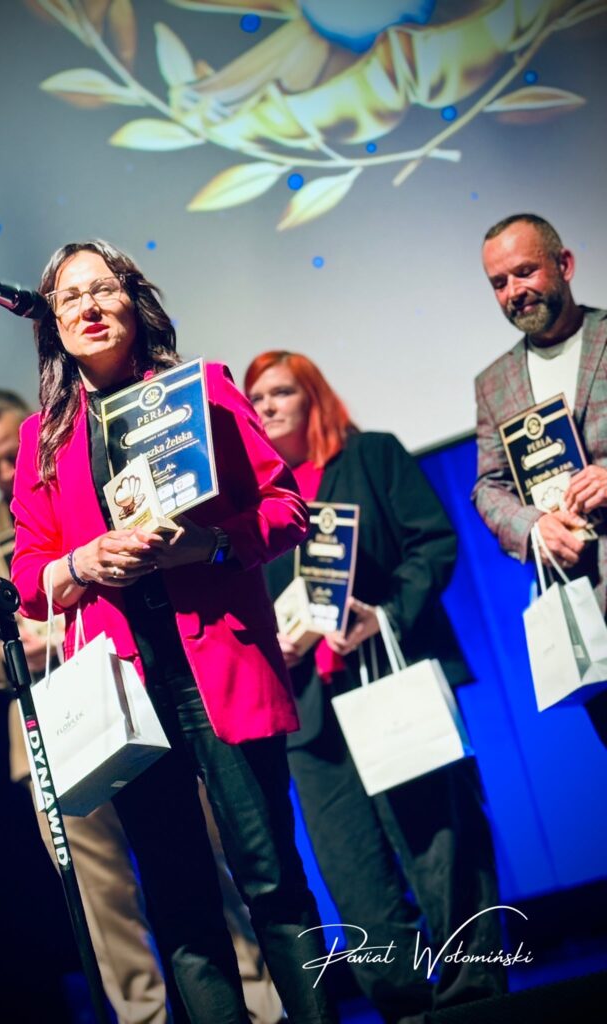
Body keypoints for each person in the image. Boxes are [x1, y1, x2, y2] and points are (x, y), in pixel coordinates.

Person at [10, 240, 337, 1024]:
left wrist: (210, 544)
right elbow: (28, 572)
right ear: (53, 325)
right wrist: (82, 561)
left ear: (135, 299)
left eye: (102, 289)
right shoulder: (42, 438)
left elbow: (286, 508)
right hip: (125, 689)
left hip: (219, 669)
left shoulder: (204, 391)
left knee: (272, 882)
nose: (88, 307)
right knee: (180, 902)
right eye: (69, 298)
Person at [0, 389, 283, 1024]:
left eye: (9, 455)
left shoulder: (89, 480)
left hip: (140, 691)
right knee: (103, 899)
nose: (2, 471)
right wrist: (18, 651)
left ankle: (262, 1006)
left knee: (205, 862)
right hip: (54, 723)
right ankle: (144, 1017)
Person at [244, 351, 506, 1024]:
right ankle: (404, 1004)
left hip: (391, 676)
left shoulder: (372, 456)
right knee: (351, 870)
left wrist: (382, 616)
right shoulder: (254, 504)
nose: (267, 407)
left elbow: (433, 544)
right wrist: (273, 640)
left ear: (313, 397)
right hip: (310, 712)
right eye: (257, 398)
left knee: (440, 844)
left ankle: (473, 997)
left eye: (281, 393)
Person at [472, 213, 607, 745]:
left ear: (564, 264)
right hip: (587, 613)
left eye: (525, 272)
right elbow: (489, 486)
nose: (514, 292)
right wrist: (532, 527)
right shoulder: (493, 383)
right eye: (499, 283)